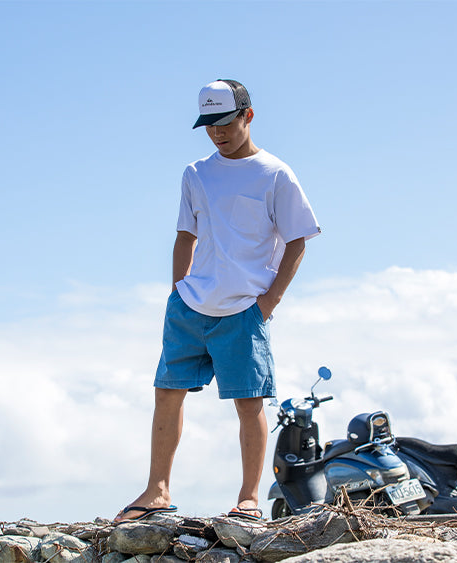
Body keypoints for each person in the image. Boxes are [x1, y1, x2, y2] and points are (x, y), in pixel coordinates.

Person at [114, 79, 321, 522]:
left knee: (249, 402)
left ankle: (249, 499)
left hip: (244, 310)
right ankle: (157, 491)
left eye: (225, 122)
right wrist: (178, 291)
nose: (217, 133)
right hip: (190, 306)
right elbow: (184, 235)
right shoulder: (196, 173)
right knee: (166, 393)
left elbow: (298, 239)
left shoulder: (276, 174)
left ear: (248, 115)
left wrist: (269, 302)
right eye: (209, 125)